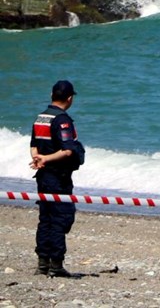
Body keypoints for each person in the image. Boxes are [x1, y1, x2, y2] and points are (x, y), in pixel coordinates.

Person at [29, 79, 85, 278]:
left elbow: (33, 144)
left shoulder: (41, 118)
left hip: (43, 175)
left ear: (52, 95)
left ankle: (42, 263)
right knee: (61, 218)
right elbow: (68, 151)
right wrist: (45, 159)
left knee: (46, 219)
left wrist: (37, 159)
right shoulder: (62, 119)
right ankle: (56, 264)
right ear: (69, 98)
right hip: (57, 177)